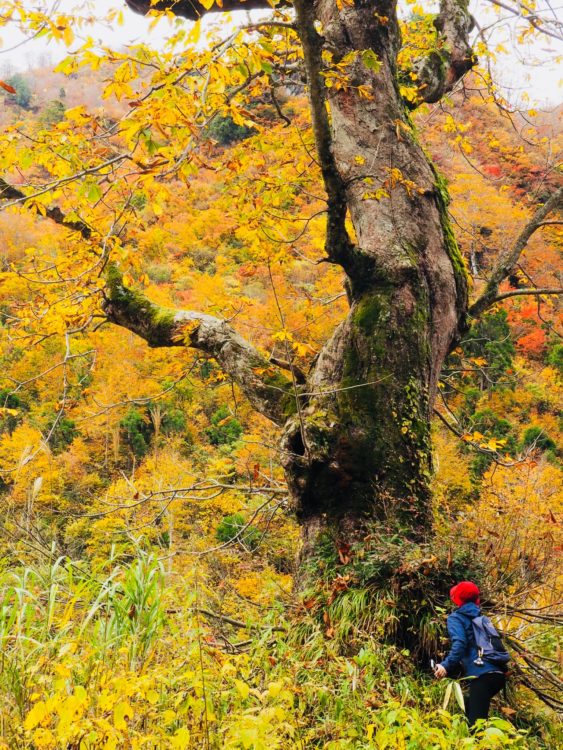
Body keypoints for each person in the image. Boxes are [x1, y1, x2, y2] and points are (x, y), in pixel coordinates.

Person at [433, 581, 507, 727]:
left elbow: (460, 644)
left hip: (482, 676)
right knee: (469, 710)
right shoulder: (483, 618)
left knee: (476, 726)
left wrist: (445, 666)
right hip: (498, 675)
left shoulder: (456, 618)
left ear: (457, 599)